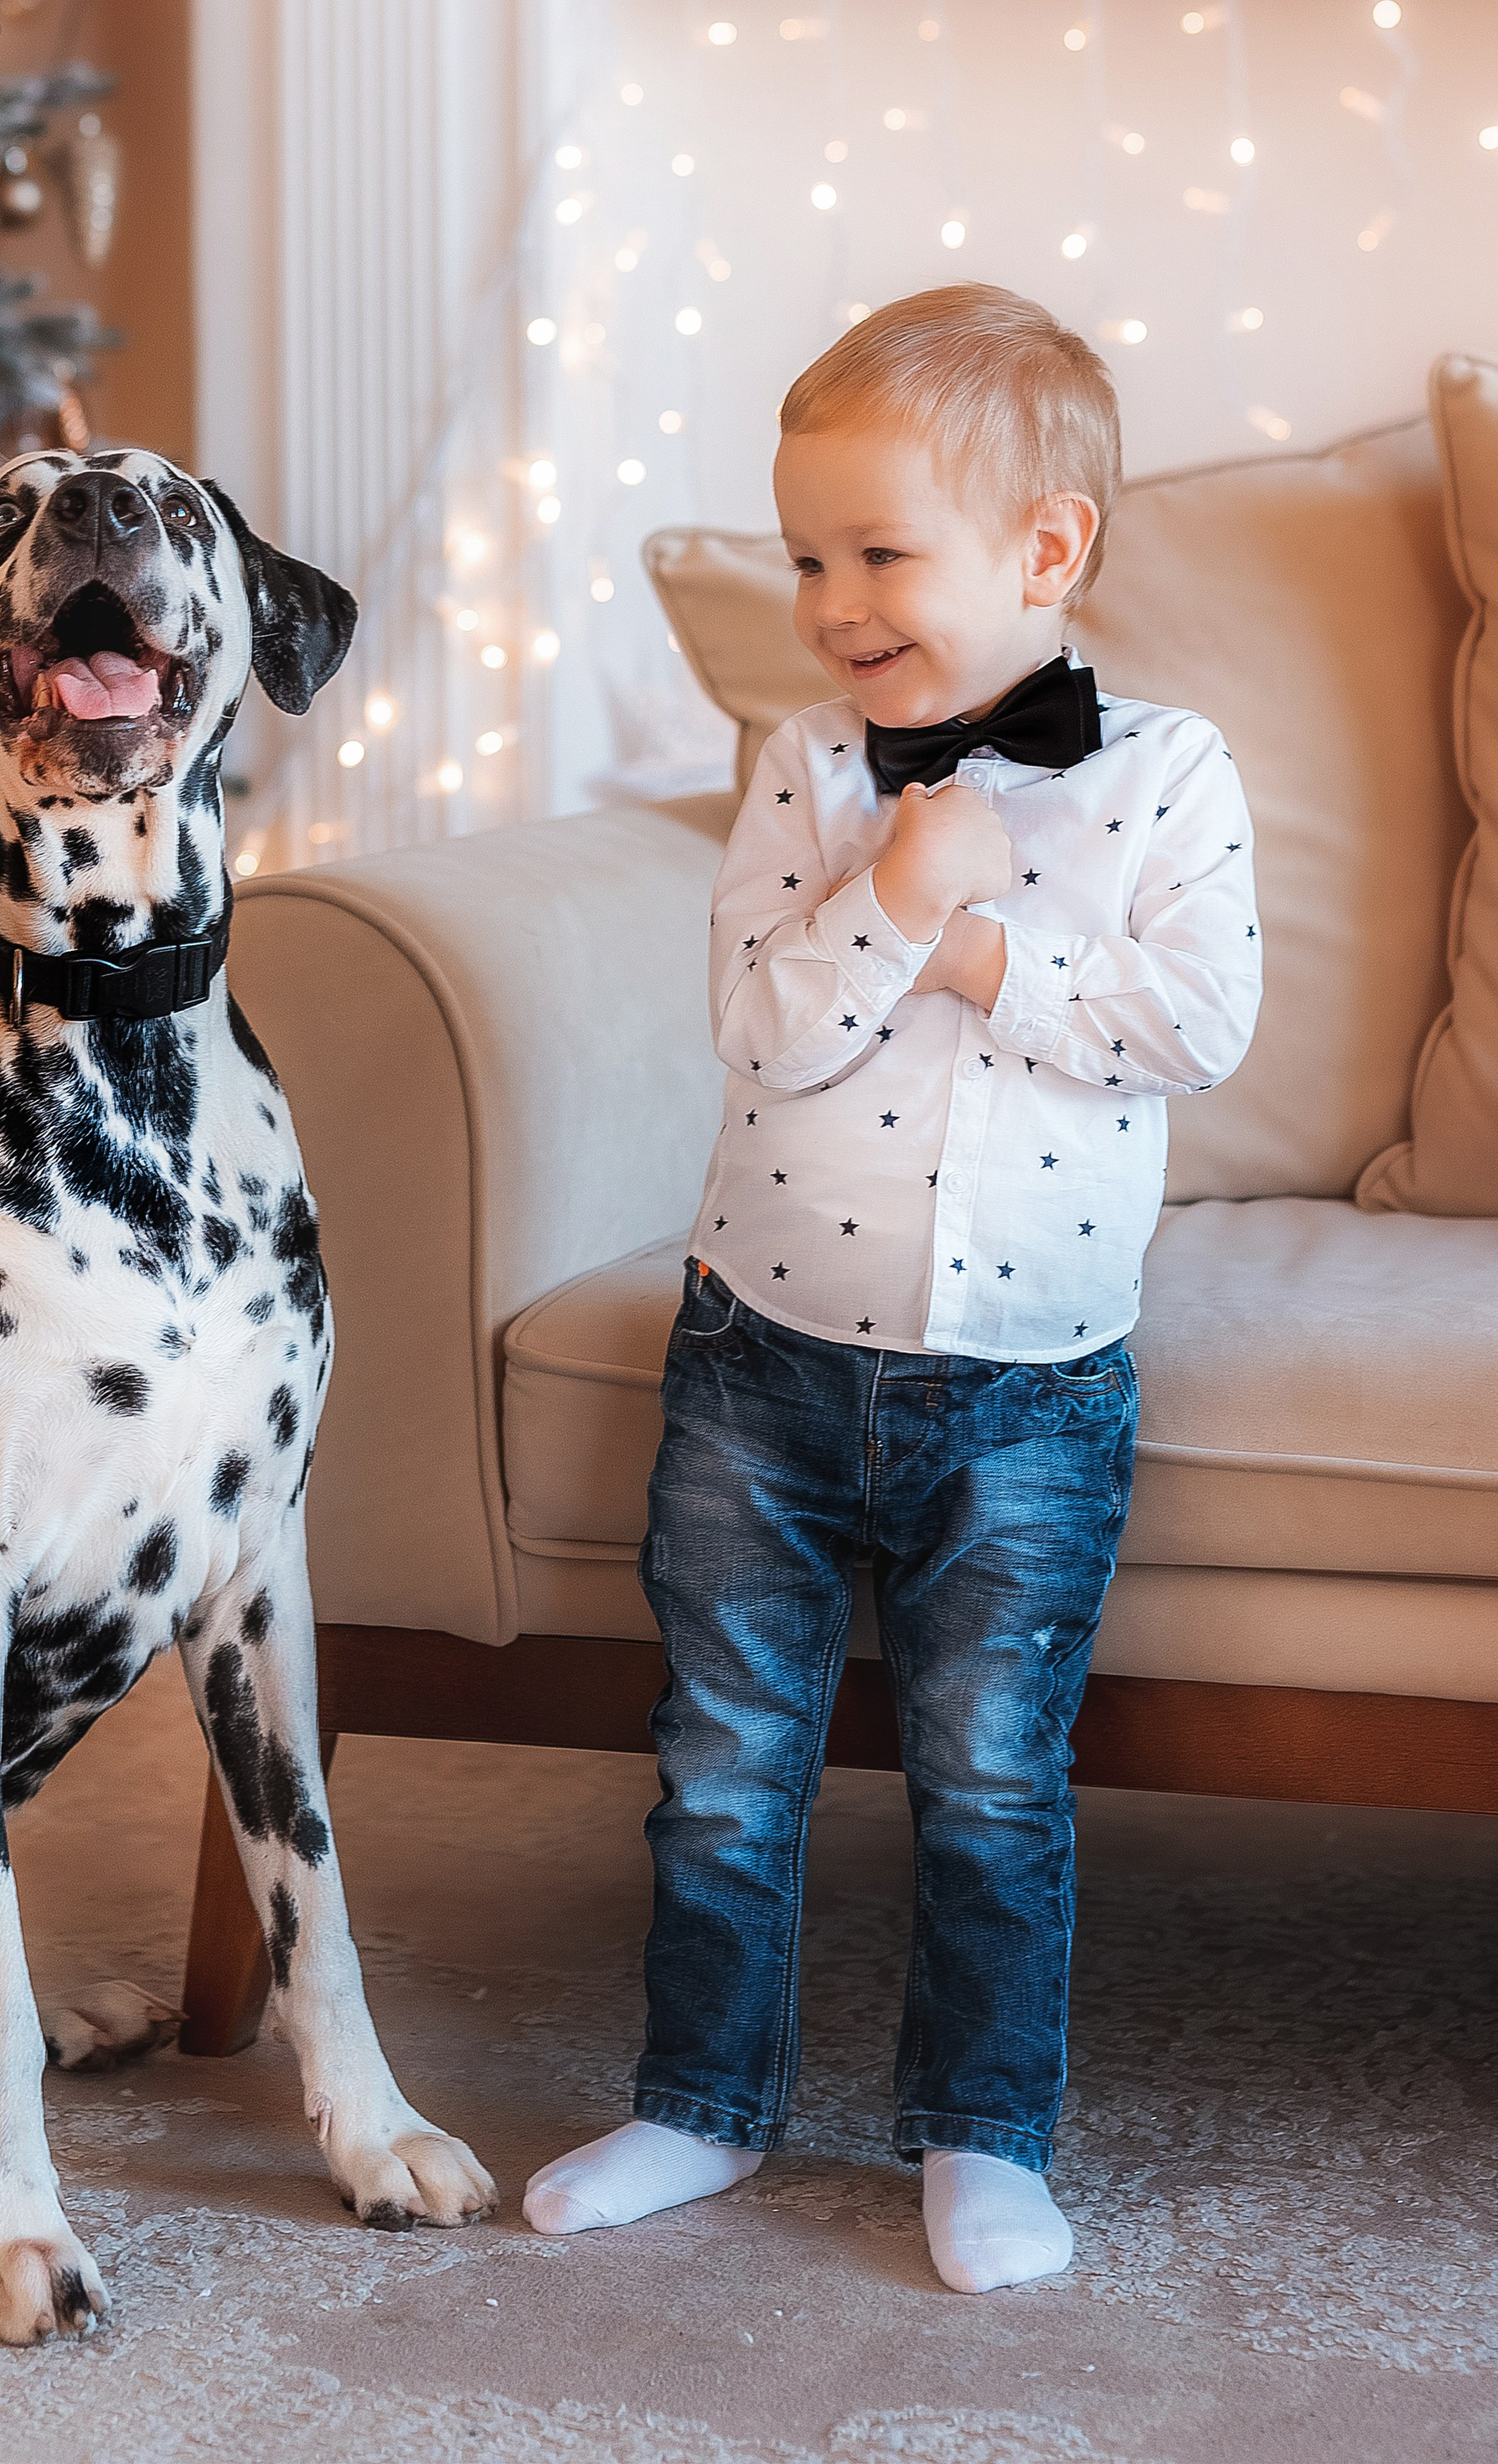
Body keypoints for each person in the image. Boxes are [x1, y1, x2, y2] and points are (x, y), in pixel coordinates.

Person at [524, 285, 1263, 2291]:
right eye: (803, 557)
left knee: (993, 1781)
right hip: (758, 1361)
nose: (833, 598)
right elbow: (758, 1030)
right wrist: (889, 892)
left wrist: (977, 954)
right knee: (719, 1765)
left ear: (1044, 550)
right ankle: (698, 2101)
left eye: (876, 552)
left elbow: (1193, 1023)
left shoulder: (1169, 774)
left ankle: (979, 2131)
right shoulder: (800, 768)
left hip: (1024, 1388)